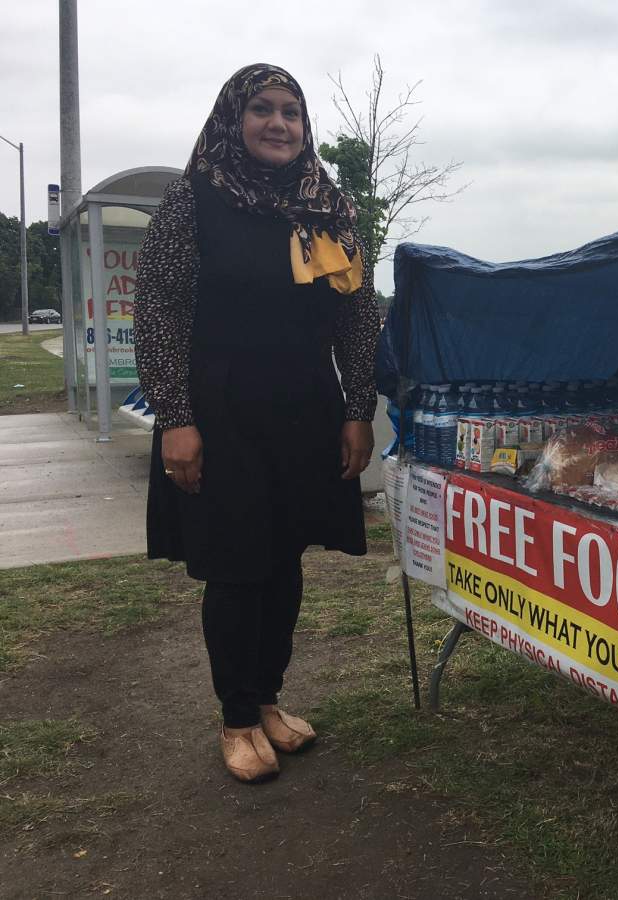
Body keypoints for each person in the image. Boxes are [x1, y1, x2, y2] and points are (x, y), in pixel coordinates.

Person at [134, 64, 379, 784]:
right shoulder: (194, 201)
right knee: (239, 565)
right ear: (232, 119)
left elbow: (356, 315)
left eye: (292, 113)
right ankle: (237, 718)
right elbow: (159, 313)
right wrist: (175, 418)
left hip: (306, 406)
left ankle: (268, 698)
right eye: (263, 110)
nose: (279, 124)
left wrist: (358, 408)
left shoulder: (327, 207)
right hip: (221, 410)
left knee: (285, 557)